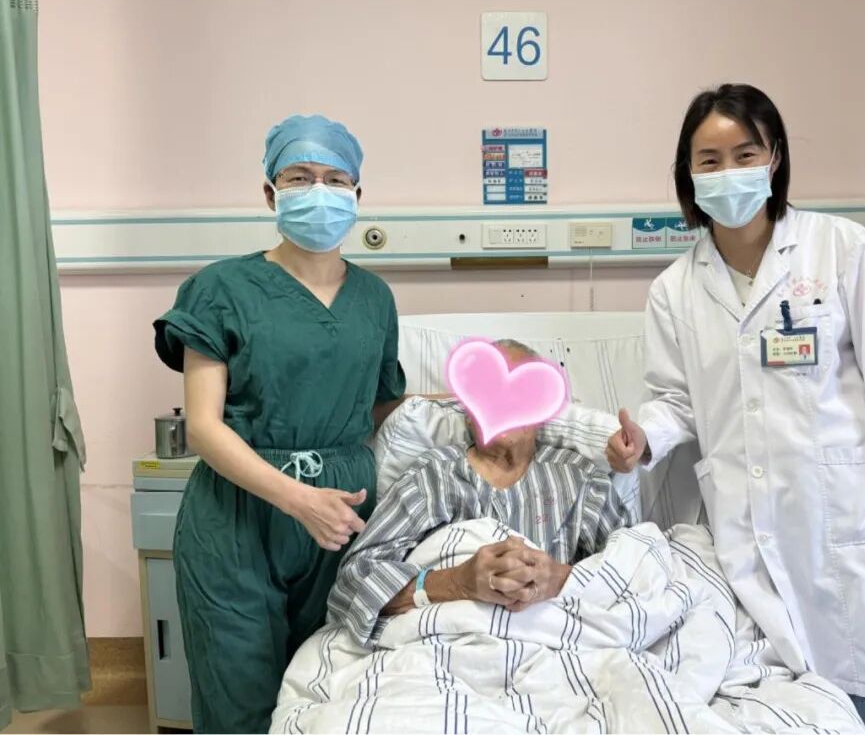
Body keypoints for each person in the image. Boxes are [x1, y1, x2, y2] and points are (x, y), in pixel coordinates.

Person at [605, 84, 865, 734]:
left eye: (744, 154)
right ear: (688, 174)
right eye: (710, 160)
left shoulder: (840, 248)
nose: (728, 172)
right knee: (796, 714)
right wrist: (644, 439)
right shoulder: (674, 289)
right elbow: (678, 401)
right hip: (754, 543)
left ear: (773, 159)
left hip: (862, 527)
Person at [153, 115, 414, 733]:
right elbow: (203, 428)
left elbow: (377, 404)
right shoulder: (220, 288)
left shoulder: (375, 298)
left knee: (330, 698)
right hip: (239, 519)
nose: (319, 190)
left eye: (335, 179)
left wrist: (464, 408)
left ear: (357, 194)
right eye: (299, 177)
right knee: (239, 703)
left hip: (345, 519)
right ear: (271, 194)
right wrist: (299, 500)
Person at [328, 340, 635, 644]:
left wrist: (558, 579)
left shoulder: (580, 479)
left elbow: (636, 573)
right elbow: (349, 586)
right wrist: (456, 583)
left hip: (549, 643)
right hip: (441, 647)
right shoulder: (432, 476)